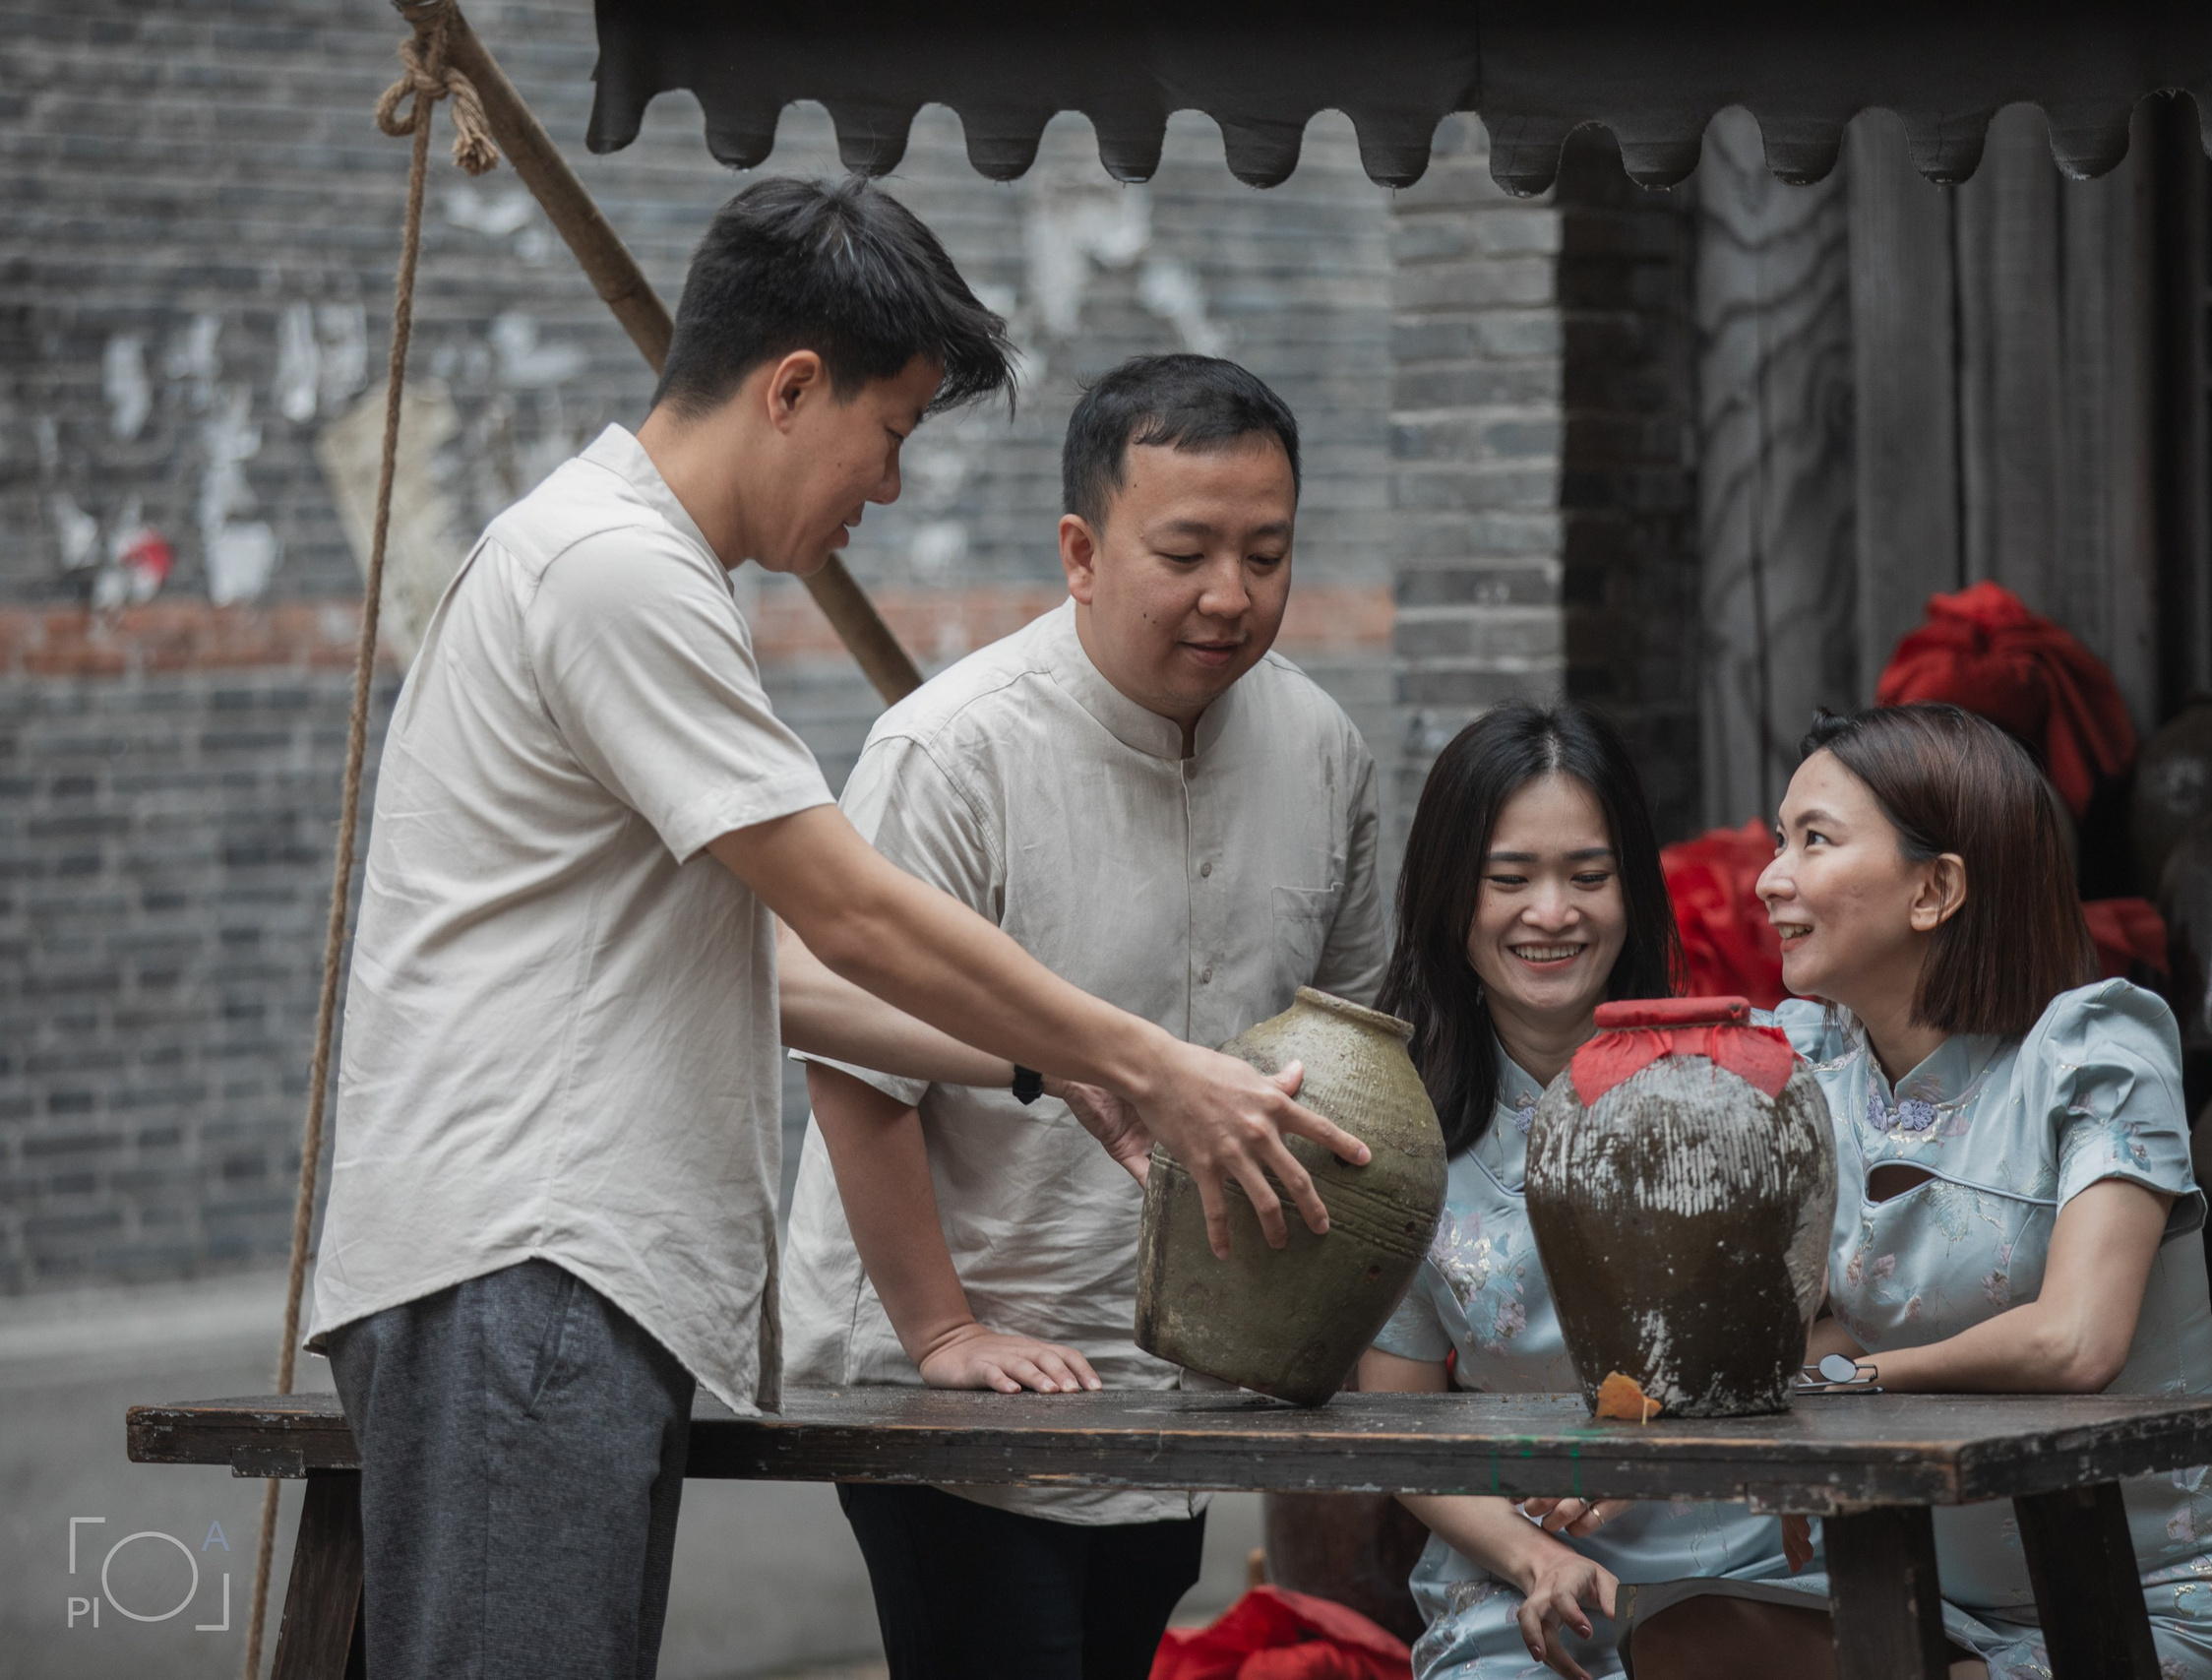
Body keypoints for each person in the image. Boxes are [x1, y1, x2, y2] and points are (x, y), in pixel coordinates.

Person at [304, 183, 1365, 1680]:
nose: (887, 487)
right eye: (897, 429)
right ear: (792, 386)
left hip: (537, 1276)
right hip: (527, 1266)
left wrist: (1045, 1069)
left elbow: (782, 976)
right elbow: (851, 912)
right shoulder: (617, 571)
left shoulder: (616, 559)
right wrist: (1150, 1057)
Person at [778, 352, 1387, 1679]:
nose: (1232, 594)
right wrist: (943, 1331)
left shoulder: (1324, 748)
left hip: (1176, 1380)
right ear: (1081, 550)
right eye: (1187, 551)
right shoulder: (953, 750)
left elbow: (1348, 1044)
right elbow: (846, 1053)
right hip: (955, 1381)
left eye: (1268, 552)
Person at [1642, 703, 2212, 1677]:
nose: (1768, 879)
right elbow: (1818, 1328)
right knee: (1682, 1641)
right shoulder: (1815, 1070)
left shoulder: (2094, 1053)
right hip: (1925, 1591)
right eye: (1780, 840)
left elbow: (2078, 1339)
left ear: (1935, 888)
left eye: (1813, 841)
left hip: (2153, 1598)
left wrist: (1847, 1390)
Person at [1360, 702, 1805, 1680]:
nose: (1552, 912)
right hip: (1516, 1590)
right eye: (1508, 878)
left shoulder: (1754, 1077)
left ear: (1633, 891)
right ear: (1448, 897)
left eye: (1588, 876)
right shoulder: (1401, 1139)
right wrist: (1536, 1557)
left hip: (1755, 1575)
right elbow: (1395, 1425)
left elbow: (1839, 1327)